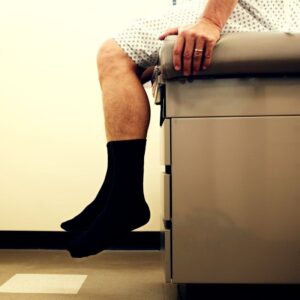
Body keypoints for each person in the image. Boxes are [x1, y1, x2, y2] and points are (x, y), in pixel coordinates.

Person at [61, 0, 300, 258]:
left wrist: (210, 22)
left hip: (274, 15)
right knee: (127, 63)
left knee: (114, 53)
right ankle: (114, 192)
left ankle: (122, 197)